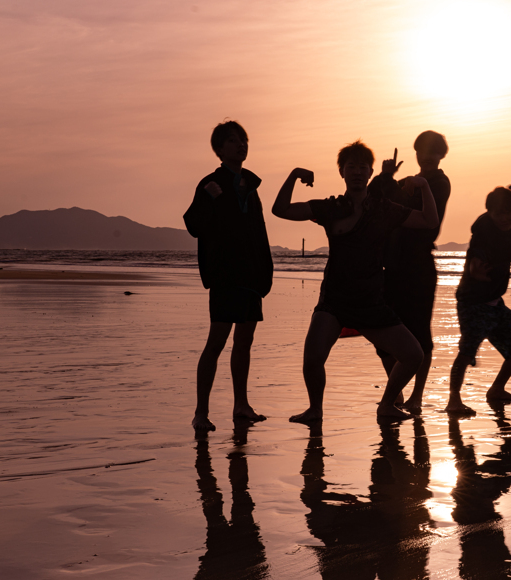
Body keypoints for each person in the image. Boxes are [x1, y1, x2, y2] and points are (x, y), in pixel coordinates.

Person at [271, 140, 439, 423]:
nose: (358, 172)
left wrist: (423, 186)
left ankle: (387, 404)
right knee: (312, 359)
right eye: (351, 167)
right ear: (342, 172)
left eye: (363, 167)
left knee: (413, 355)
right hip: (334, 300)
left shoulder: (383, 209)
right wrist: (294, 174)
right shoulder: (331, 208)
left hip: (371, 301)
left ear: (371, 172)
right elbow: (281, 209)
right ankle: (315, 409)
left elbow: (428, 221)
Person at [183, 121, 273, 432]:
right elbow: (194, 225)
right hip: (225, 276)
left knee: (244, 342)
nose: (241, 145)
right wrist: (207, 197)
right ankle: (200, 413)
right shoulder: (211, 183)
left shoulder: (251, 184)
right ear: (220, 149)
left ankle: (241, 405)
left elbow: (260, 232)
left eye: (244, 140)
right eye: (234, 141)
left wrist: (267, 273)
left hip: (250, 277)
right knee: (216, 342)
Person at [443, 156, 511, 416]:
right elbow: (475, 256)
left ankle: (496, 389)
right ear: (489, 212)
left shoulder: (509, 202)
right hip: (473, 302)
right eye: (499, 213)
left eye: (509, 213)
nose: (505, 218)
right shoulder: (483, 229)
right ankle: (453, 399)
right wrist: (475, 268)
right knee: (467, 351)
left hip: (495, 303)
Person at [367, 131, 452, 414]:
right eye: (421, 151)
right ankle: (397, 392)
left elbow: (424, 221)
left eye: (433, 151)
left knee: (419, 336)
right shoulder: (407, 183)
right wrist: (386, 176)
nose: (426, 156)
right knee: (383, 336)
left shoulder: (438, 183)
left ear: (442, 155)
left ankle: (416, 397)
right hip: (391, 266)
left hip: (419, 268)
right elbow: (374, 200)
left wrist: (395, 189)